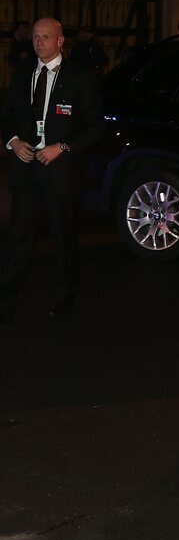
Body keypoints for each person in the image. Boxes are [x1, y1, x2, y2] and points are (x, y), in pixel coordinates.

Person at [0, 17, 104, 324]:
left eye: (45, 37)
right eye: (35, 37)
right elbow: (6, 115)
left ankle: (64, 294)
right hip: (27, 166)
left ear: (60, 41)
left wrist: (63, 146)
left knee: (62, 233)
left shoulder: (79, 78)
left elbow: (96, 127)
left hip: (59, 169)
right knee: (19, 233)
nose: (39, 42)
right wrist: (14, 141)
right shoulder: (22, 74)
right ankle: (6, 298)